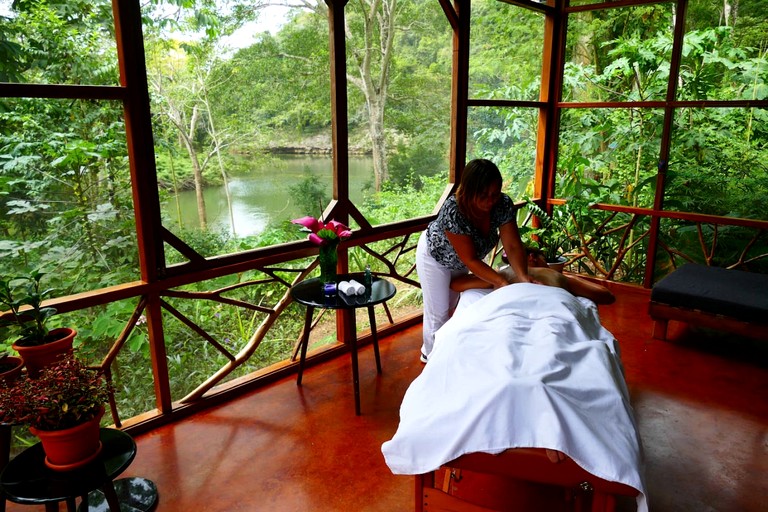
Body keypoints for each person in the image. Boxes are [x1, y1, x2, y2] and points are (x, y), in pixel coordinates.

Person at [416, 159, 532, 363]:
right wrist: (501, 282)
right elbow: (470, 259)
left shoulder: (502, 204)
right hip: (435, 257)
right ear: (469, 191)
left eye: (495, 194)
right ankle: (431, 357)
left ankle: (446, 353)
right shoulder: (454, 210)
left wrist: (523, 278)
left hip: (461, 261)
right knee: (438, 312)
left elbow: (513, 246)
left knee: (451, 304)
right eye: (483, 195)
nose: (490, 201)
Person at [450, 247, 616, 305]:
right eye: (544, 259)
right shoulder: (505, 274)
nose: (532, 258)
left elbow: (607, 296)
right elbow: (456, 285)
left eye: (538, 257)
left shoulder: (503, 275)